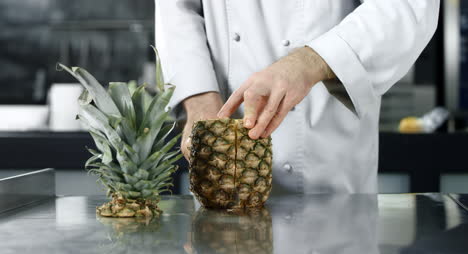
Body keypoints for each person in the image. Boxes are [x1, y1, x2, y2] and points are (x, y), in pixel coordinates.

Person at [155, 0, 440, 194]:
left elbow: (406, 8)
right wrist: (201, 102)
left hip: (326, 165)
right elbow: (176, 9)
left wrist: (313, 61)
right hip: (223, 164)